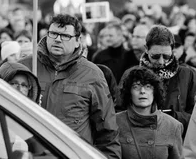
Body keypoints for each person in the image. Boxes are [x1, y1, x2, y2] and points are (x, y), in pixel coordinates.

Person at [18, 14, 121, 158]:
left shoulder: (93, 75)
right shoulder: (24, 67)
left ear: (78, 41)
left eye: (65, 35)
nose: (58, 39)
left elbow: (107, 130)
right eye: (53, 34)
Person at [131, 25, 196, 133]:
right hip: (143, 138)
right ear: (146, 49)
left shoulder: (188, 75)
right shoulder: (133, 75)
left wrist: (173, 116)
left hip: (177, 139)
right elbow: (121, 112)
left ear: (172, 49)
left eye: (166, 56)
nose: (161, 61)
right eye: (155, 56)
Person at [116, 66, 183, 159]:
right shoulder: (116, 122)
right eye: (136, 87)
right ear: (129, 93)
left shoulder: (173, 126)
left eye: (148, 87)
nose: (142, 91)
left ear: (154, 92)